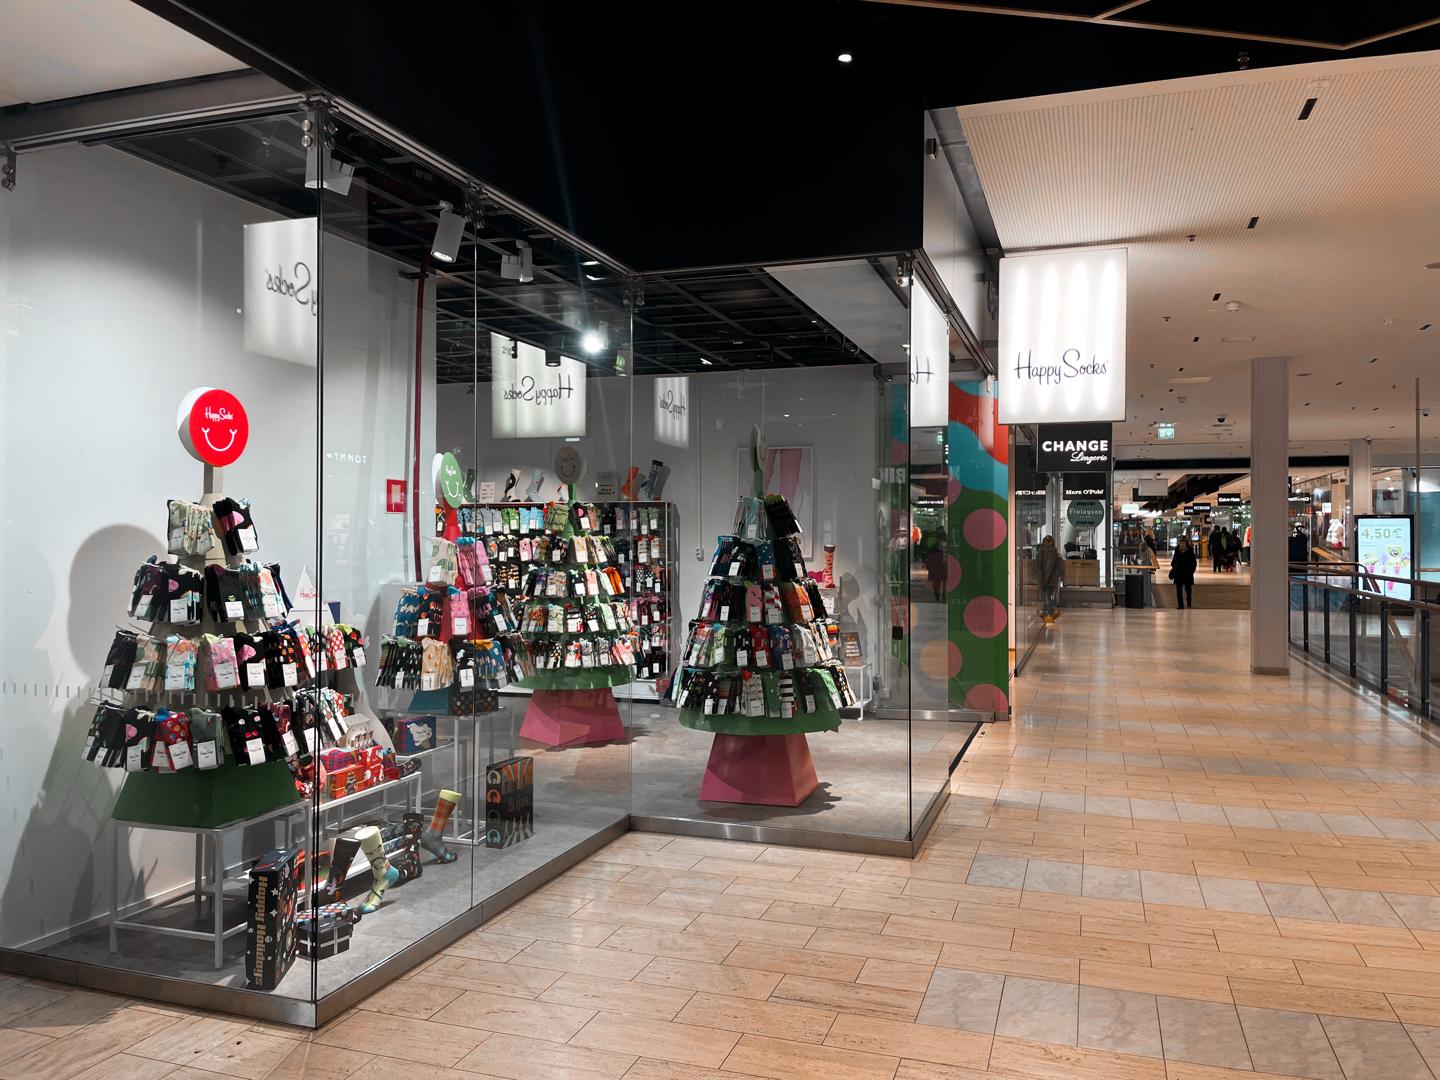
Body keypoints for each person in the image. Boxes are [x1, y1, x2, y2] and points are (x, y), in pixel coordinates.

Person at [1036, 535, 1063, 622]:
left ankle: (1049, 613)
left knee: (1047, 596)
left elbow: (1039, 565)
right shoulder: (1053, 552)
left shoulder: (1042, 552)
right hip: (1050, 578)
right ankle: (1047, 612)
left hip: (1047, 578)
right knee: (1047, 596)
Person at [1170, 536, 1197, 609]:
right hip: (1179, 573)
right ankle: (1180, 605)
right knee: (1178, 590)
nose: (1181, 545)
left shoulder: (1190, 551)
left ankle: (1189, 602)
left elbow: (1194, 562)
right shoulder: (1177, 550)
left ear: (1186, 544)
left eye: (1183, 543)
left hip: (1187, 573)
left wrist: (1191, 571)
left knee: (1188, 589)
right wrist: (1174, 565)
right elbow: (1173, 561)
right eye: (1180, 543)